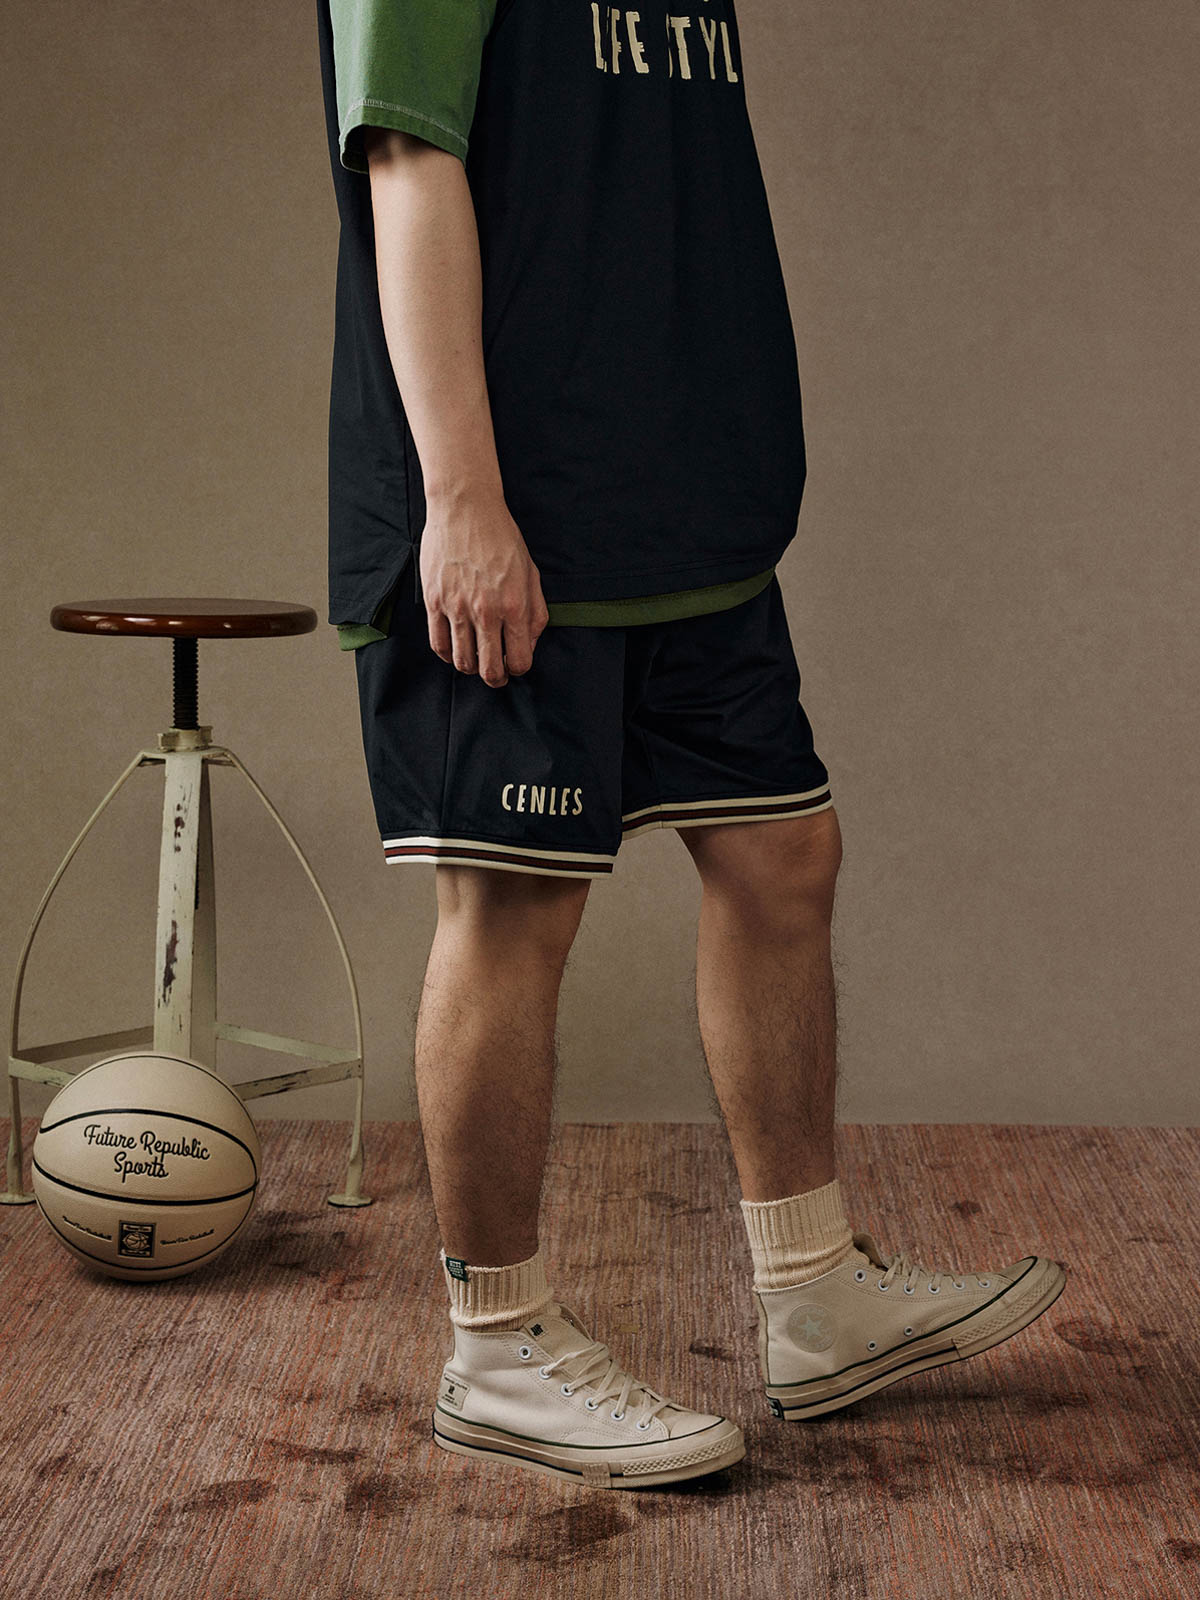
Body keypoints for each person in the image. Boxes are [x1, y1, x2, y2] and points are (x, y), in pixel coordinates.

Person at [315, 0, 1066, 1490]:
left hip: (684, 496)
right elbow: (406, 161)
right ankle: (498, 1350)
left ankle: (815, 1294)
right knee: (515, 905)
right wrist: (461, 500)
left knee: (785, 859)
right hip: (515, 509)